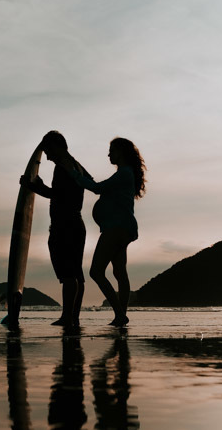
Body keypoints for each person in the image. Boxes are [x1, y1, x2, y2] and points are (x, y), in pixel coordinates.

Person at [67, 137, 146, 327]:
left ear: (121, 152)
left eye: (112, 150)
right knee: (119, 272)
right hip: (122, 228)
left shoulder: (124, 174)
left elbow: (96, 188)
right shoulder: (123, 174)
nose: (109, 154)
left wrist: (75, 176)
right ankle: (121, 316)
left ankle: (120, 314)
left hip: (117, 228)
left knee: (96, 272)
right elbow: (101, 186)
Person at [21, 131, 89, 328]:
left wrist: (32, 186)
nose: (47, 156)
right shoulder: (76, 165)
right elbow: (85, 182)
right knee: (77, 275)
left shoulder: (62, 167)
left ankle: (67, 317)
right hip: (77, 224)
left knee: (68, 274)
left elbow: (57, 195)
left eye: (48, 150)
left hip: (64, 225)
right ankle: (73, 316)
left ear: (57, 147)